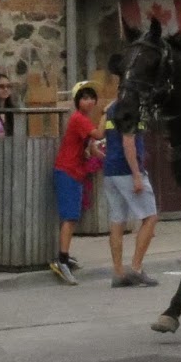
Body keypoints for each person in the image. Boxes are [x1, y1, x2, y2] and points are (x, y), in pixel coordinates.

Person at [102, 54, 159, 288]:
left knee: (117, 220)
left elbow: (104, 133)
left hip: (110, 171)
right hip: (127, 170)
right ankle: (136, 267)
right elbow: (128, 142)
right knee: (150, 217)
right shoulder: (130, 110)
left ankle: (118, 272)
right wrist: (137, 174)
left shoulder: (112, 108)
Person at [51, 81, 105, 285]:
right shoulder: (79, 119)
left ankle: (64, 254)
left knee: (72, 217)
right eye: (84, 97)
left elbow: (92, 147)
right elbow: (99, 135)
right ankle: (62, 260)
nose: (89, 101)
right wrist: (106, 117)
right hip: (68, 171)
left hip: (74, 172)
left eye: (92, 97)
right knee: (70, 217)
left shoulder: (83, 120)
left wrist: (103, 158)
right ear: (77, 101)